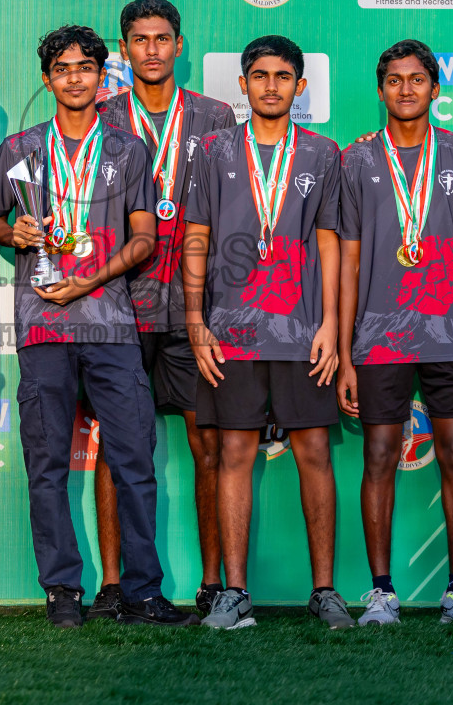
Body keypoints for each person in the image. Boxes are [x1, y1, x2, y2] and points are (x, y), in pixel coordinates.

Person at [0, 25, 193, 629]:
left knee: (134, 460)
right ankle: (61, 589)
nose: (74, 78)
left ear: (104, 75)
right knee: (46, 464)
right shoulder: (19, 147)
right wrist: (14, 232)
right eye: (62, 68)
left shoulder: (128, 149)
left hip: (110, 324)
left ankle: (142, 590)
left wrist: (87, 281)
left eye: (86, 67)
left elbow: (146, 238)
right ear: (47, 78)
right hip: (42, 326)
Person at [179, 35, 346, 631]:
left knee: (315, 452)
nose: (270, 85)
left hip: (303, 332)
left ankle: (324, 590)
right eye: (259, 75)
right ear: (243, 84)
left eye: (282, 76)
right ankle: (235, 592)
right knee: (233, 453)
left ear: (300, 86)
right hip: (229, 332)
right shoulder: (212, 148)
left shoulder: (324, 153)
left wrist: (330, 323)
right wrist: (196, 321)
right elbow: (194, 236)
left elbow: (330, 241)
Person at [335, 38, 453, 628]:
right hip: (378, 337)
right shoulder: (355, 161)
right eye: (395, 80)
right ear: (381, 90)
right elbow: (348, 260)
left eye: (417, 79)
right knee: (378, 456)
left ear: (435, 87)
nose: (406, 89)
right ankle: (381, 593)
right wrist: (349, 349)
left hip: (452, 334)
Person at [88, 0, 236, 619]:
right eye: (139, 39)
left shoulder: (216, 115)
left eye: (162, 38)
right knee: (113, 448)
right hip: (119, 309)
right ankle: (114, 584)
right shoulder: (100, 117)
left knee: (208, 442)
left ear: (180, 45)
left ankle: (209, 581)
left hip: (192, 308)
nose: (151, 49)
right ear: (123, 49)